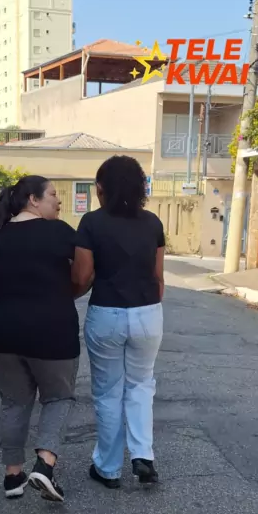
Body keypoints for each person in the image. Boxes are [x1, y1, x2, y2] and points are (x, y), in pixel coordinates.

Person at [0, 176, 79, 503]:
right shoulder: (59, 231)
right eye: (53, 194)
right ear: (33, 199)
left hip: (1, 331)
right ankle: (45, 465)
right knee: (58, 397)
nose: (58, 201)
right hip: (51, 328)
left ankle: (13, 476)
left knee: (14, 401)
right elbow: (83, 270)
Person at [72, 155, 164, 489]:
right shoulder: (153, 223)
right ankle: (143, 456)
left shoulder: (91, 223)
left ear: (101, 188)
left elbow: (81, 277)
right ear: (140, 187)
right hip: (148, 313)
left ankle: (108, 469)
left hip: (107, 313)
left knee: (109, 392)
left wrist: (67, 295)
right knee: (141, 386)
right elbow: (158, 277)